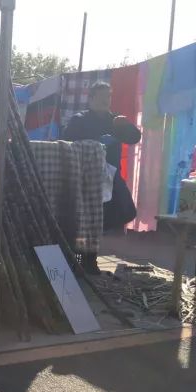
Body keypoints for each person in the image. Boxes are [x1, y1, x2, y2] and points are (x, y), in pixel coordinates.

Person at [64, 81, 142, 274]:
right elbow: (67, 141)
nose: (105, 101)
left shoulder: (115, 120)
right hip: (85, 176)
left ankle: (88, 252)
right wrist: (96, 141)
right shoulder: (79, 119)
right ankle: (87, 260)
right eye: (100, 97)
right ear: (91, 99)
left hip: (111, 175)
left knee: (125, 210)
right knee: (87, 218)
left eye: (108, 96)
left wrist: (125, 126)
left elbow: (134, 137)